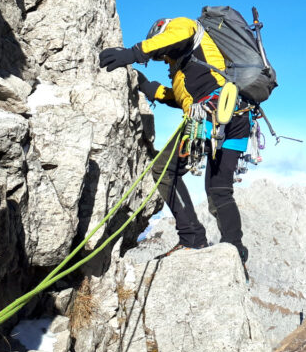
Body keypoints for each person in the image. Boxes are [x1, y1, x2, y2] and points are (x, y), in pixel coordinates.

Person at [99, 17, 249, 263]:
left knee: (164, 169)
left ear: (160, 28)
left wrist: (134, 53)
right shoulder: (191, 63)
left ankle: (192, 238)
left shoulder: (182, 25)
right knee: (219, 188)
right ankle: (235, 247)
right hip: (237, 116)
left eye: (162, 56)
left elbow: (176, 38)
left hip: (211, 114)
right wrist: (152, 90)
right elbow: (183, 97)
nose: (163, 60)